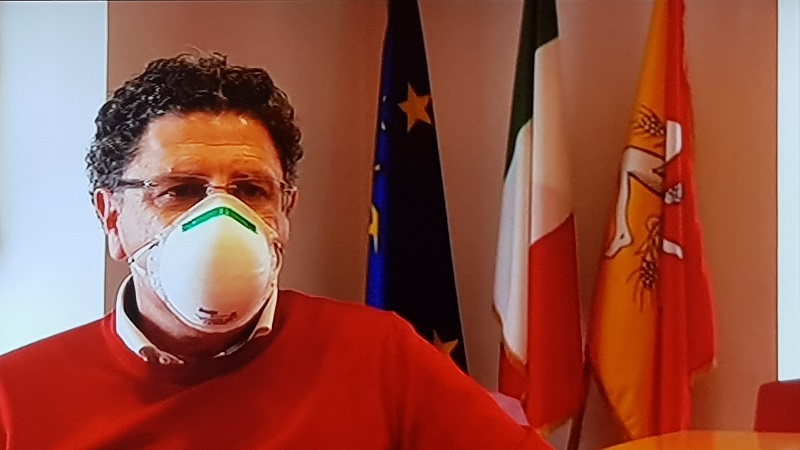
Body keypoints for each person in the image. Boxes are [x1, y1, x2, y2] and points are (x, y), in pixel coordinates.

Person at [0, 53, 551, 449]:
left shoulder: (380, 357)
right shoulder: (17, 398)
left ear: (285, 210)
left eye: (251, 190)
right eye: (180, 191)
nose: (220, 220)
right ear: (111, 217)